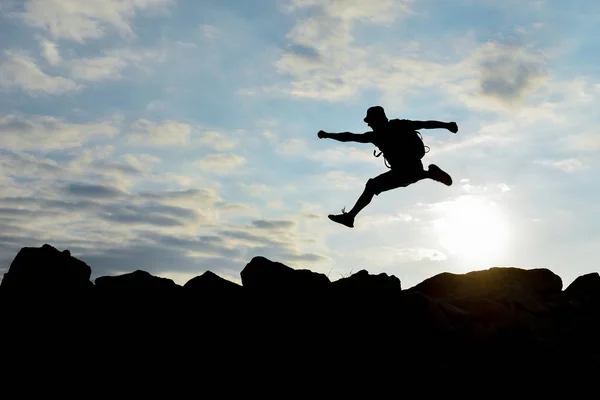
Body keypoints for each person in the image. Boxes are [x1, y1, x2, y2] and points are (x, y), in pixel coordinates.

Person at [317, 105, 458, 228]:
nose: (368, 124)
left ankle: (350, 217)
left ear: (377, 119)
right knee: (384, 182)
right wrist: (447, 125)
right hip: (410, 170)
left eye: (369, 121)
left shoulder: (384, 132)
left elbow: (349, 136)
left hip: (404, 172)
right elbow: (349, 136)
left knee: (372, 185)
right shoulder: (395, 127)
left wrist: (328, 135)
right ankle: (429, 174)